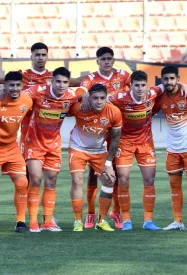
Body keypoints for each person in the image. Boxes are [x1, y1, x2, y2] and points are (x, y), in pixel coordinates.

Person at [75, 47, 131, 229]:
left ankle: (114, 212)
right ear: (97, 61)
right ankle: (91, 214)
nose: (107, 62)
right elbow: (81, 91)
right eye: (103, 59)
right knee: (93, 174)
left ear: (114, 60)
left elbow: (139, 86)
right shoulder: (91, 79)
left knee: (115, 173)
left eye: (110, 58)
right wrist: (83, 96)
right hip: (96, 130)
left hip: (117, 128)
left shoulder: (124, 75)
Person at [24, 67, 84, 233]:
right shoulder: (37, 91)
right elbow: (20, 98)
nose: (61, 85)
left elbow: (84, 92)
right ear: (51, 81)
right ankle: (33, 222)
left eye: (65, 82)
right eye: (58, 81)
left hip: (54, 145)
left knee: (51, 182)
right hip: (34, 143)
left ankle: (48, 221)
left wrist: (85, 95)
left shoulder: (71, 96)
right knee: (35, 179)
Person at [108, 70, 163, 231]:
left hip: (145, 144)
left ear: (147, 86)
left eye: (143, 85)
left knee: (149, 180)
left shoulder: (152, 93)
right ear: (130, 86)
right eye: (136, 85)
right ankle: (126, 220)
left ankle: (148, 221)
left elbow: (164, 86)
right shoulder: (119, 98)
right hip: (124, 143)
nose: (140, 89)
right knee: (123, 180)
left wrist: (181, 86)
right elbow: (103, 98)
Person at [154, 66, 187, 232]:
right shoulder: (160, 98)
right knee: (174, 184)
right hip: (173, 148)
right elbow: (148, 108)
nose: (169, 82)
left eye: (172, 78)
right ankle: (178, 221)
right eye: (166, 79)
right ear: (162, 80)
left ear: (177, 78)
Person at [0, 71, 33, 233]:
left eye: (18, 85)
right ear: (4, 86)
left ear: (22, 86)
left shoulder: (27, 100)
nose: (15, 88)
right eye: (11, 85)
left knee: (22, 183)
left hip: (12, 147)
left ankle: (20, 222)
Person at [68, 84, 122, 232]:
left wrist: (109, 163)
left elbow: (116, 139)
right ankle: (78, 221)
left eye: (102, 98)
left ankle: (102, 221)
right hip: (78, 148)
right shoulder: (79, 108)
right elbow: (66, 98)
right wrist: (82, 94)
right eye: (95, 98)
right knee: (77, 180)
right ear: (90, 98)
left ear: (106, 98)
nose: (99, 101)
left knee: (110, 179)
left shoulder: (114, 112)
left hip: (99, 150)